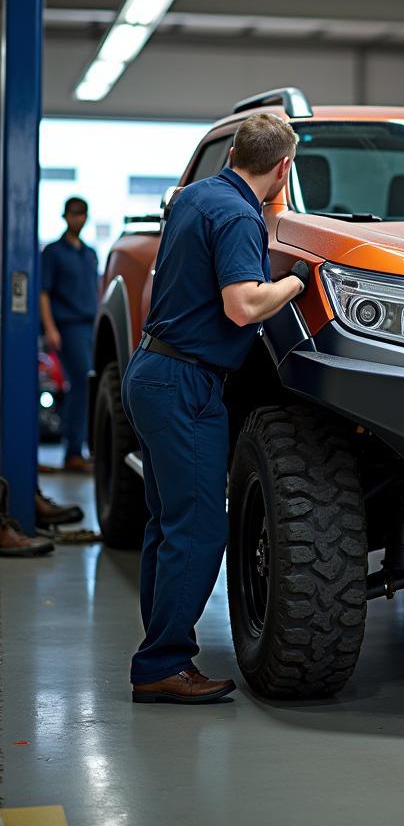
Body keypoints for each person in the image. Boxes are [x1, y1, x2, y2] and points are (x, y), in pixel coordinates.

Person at [124, 113, 310, 705]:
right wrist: (300, 282)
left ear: (232, 152)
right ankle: (162, 664)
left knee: (167, 522)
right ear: (285, 168)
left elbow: (196, 213)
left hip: (152, 371)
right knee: (200, 528)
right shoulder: (236, 216)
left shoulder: (194, 197)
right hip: (188, 385)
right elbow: (242, 305)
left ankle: (159, 652)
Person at [40, 196, 99, 474]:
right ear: (65, 216)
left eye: (82, 214)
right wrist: (51, 328)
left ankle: (79, 448)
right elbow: (43, 292)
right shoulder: (53, 252)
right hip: (67, 326)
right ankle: (73, 451)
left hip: (89, 326)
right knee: (80, 382)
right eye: (74, 214)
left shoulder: (89, 254)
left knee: (85, 385)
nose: (78, 218)